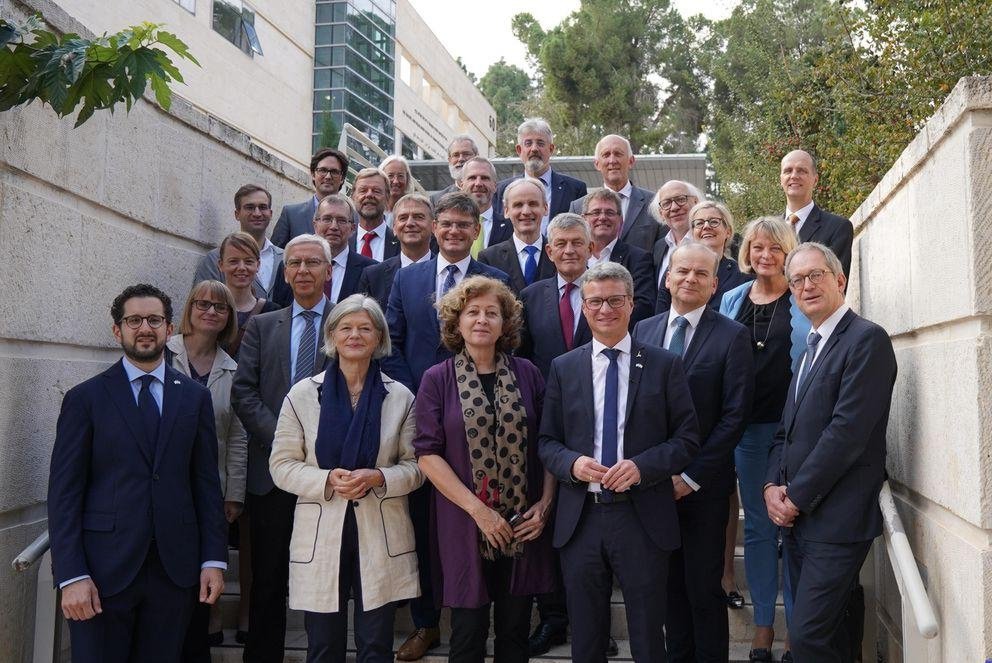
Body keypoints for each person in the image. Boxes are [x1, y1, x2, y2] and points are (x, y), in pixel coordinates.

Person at [48, 284, 227, 663]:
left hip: (173, 572)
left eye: (154, 320)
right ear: (118, 330)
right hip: (100, 573)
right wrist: (71, 575)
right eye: (133, 320)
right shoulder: (85, 399)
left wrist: (213, 558)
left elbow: (207, 485)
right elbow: (64, 495)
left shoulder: (194, 397)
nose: (144, 328)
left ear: (169, 328)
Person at [539, 262, 700, 663]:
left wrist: (643, 467)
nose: (605, 309)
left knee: (648, 635)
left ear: (631, 304)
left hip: (641, 516)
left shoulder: (665, 364)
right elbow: (546, 442)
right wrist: (572, 464)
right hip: (582, 518)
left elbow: (686, 439)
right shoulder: (564, 367)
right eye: (595, 301)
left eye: (615, 300)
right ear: (585, 306)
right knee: (587, 638)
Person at [385, 192, 509, 661]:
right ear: (434, 228)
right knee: (422, 524)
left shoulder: (496, 279)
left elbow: (509, 342)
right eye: (447, 224)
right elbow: (391, 342)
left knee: (475, 515)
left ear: (477, 230)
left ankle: (478, 619)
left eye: (464, 224)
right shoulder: (408, 278)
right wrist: (423, 394)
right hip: (423, 412)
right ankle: (425, 623)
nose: (455, 231)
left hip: (482, 428)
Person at [269, 294, 423, 663]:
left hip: (380, 528)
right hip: (323, 528)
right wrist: (325, 480)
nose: (355, 335)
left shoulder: (400, 396)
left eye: (365, 328)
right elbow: (281, 465)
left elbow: (417, 466)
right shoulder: (302, 395)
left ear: (379, 338)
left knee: (375, 646)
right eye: (346, 328)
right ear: (332, 335)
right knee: (322, 647)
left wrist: (379, 476)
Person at [765, 242, 896, 662]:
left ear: (840, 279)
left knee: (807, 639)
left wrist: (796, 497)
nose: (806, 286)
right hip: (800, 521)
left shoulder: (866, 340)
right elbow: (785, 432)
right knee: (836, 635)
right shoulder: (809, 349)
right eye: (797, 279)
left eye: (815, 275)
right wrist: (771, 485)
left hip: (836, 521)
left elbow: (847, 434)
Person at [415, 276, 556, 663]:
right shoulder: (437, 379)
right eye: (472, 312)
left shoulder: (529, 373)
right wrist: (480, 512)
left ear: (505, 323)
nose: (481, 320)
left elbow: (547, 445)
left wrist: (544, 505)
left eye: (491, 313)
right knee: (467, 634)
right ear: (456, 323)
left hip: (523, 522)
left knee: (514, 634)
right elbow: (427, 454)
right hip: (464, 522)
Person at [632, 244, 754, 662]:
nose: (690, 279)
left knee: (702, 591)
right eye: (682, 271)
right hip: (651, 487)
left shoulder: (733, 336)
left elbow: (734, 416)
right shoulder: (642, 331)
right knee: (667, 591)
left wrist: (690, 477)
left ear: (715, 284)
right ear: (667, 278)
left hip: (704, 487)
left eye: (701, 274)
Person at [232, 233, 333, 663]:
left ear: (329, 271)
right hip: (272, 474)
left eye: (313, 263)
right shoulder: (261, 325)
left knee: (322, 578)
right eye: (295, 263)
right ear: (285, 272)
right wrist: (286, 441)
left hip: (329, 472)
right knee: (268, 577)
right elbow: (244, 391)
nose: (304, 271)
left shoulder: (348, 321)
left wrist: (316, 446)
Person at [719, 217, 809, 663]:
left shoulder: (803, 296)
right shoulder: (733, 298)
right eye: (757, 247)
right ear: (747, 252)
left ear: (787, 251)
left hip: (793, 430)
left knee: (792, 526)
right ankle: (763, 628)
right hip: (748, 431)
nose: (765, 256)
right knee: (756, 527)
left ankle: (796, 630)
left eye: (775, 248)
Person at [168, 281, 247, 658]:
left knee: (205, 564)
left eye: (221, 308)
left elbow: (236, 438)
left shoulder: (232, 371)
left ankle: (204, 628)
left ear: (229, 318)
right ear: (189, 308)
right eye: (203, 304)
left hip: (208, 485)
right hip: (161, 483)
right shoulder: (162, 354)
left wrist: (233, 492)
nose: (211, 312)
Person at [518, 212, 594, 379]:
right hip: (546, 396)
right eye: (561, 244)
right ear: (549, 252)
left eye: (577, 243)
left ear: (590, 249)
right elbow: (523, 355)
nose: (569, 250)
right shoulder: (530, 297)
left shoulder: (606, 293)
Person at [273, 194, 375, 307]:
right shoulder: (291, 266)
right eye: (327, 219)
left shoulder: (370, 271)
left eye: (341, 220)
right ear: (315, 224)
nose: (334, 226)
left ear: (352, 228)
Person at [656, 200, 753, 313]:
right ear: (692, 233)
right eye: (699, 223)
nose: (706, 226)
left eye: (714, 222)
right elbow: (661, 315)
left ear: (728, 231)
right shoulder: (675, 269)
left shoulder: (743, 276)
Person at [494, 118, 587, 236]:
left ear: (551, 149)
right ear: (519, 150)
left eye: (540, 143)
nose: (534, 149)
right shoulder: (501, 190)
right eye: (528, 143)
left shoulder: (575, 189)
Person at [569, 134, 658, 252]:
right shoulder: (578, 207)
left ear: (631, 161)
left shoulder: (654, 203)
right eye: (606, 155)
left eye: (618, 154)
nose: (612, 160)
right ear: (597, 164)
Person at [193, 184, 284, 298]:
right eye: (250, 207)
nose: (257, 213)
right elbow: (201, 304)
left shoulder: (286, 258)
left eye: (262, 207)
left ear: (270, 214)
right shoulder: (214, 259)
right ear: (237, 214)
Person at [583, 188, 656, 326]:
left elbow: (643, 307)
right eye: (596, 212)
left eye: (610, 212)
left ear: (621, 221)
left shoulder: (639, 259)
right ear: (584, 219)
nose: (602, 217)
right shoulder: (573, 258)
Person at [780, 150, 854, 277]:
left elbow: (835, 285)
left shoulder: (837, 228)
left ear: (815, 179)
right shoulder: (769, 230)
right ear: (781, 179)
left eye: (801, 171)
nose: (794, 176)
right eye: (788, 171)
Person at [478, 178, 556, 294]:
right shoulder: (489, 258)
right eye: (518, 205)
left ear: (545, 208)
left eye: (533, 204)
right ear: (506, 211)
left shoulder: (558, 254)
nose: (526, 211)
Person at [359, 193, 435, 311]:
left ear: (433, 226)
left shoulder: (447, 272)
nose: (410, 223)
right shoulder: (373, 276)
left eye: (418, 217)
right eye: (403, 218)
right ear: (394, 228)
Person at [217, 232, 282, 357]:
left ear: (258, 265)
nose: (241, 267)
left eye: (248, 261)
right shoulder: (208, 309)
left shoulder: (273, 313)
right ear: (221, 265)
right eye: (233, 261)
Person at [272, 147, 350, 247]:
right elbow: (276, 255)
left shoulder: (354, 218)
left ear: (342, 178)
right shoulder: (291, 215)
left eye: (334, 172)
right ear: (313, 174)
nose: (328, 176)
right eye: (323, 170)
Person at [652, 180, 704, 286]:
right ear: (661, 213)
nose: (674, 207)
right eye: (666, 203)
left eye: (680, 199)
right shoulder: (659, 247)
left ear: (696, 202)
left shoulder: (707, 241)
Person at [458, 156, 511, 254]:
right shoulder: (448, 227)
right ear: (461, 185)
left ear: (495, 186)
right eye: (472, 178)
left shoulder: (511, 227)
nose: (478, 183)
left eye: (485, 178)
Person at [351, 167, 401, 262]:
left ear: (387, 197)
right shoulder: (343, 243)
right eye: (363, 190)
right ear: (353, 196)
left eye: (376, 191)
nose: (369, 195)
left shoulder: (401, 243)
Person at [432, 134, 479, 205]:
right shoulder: (436, 200)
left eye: (466, 154)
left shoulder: (494, 195)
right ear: (449, 160)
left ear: (476, 157)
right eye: (456, 155)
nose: (461, 159)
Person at [382, 154, 415, 222]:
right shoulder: (374, 208)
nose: (395, 181)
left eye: (400, 176)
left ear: (407, 179)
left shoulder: (415, 208)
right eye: (390, 176)